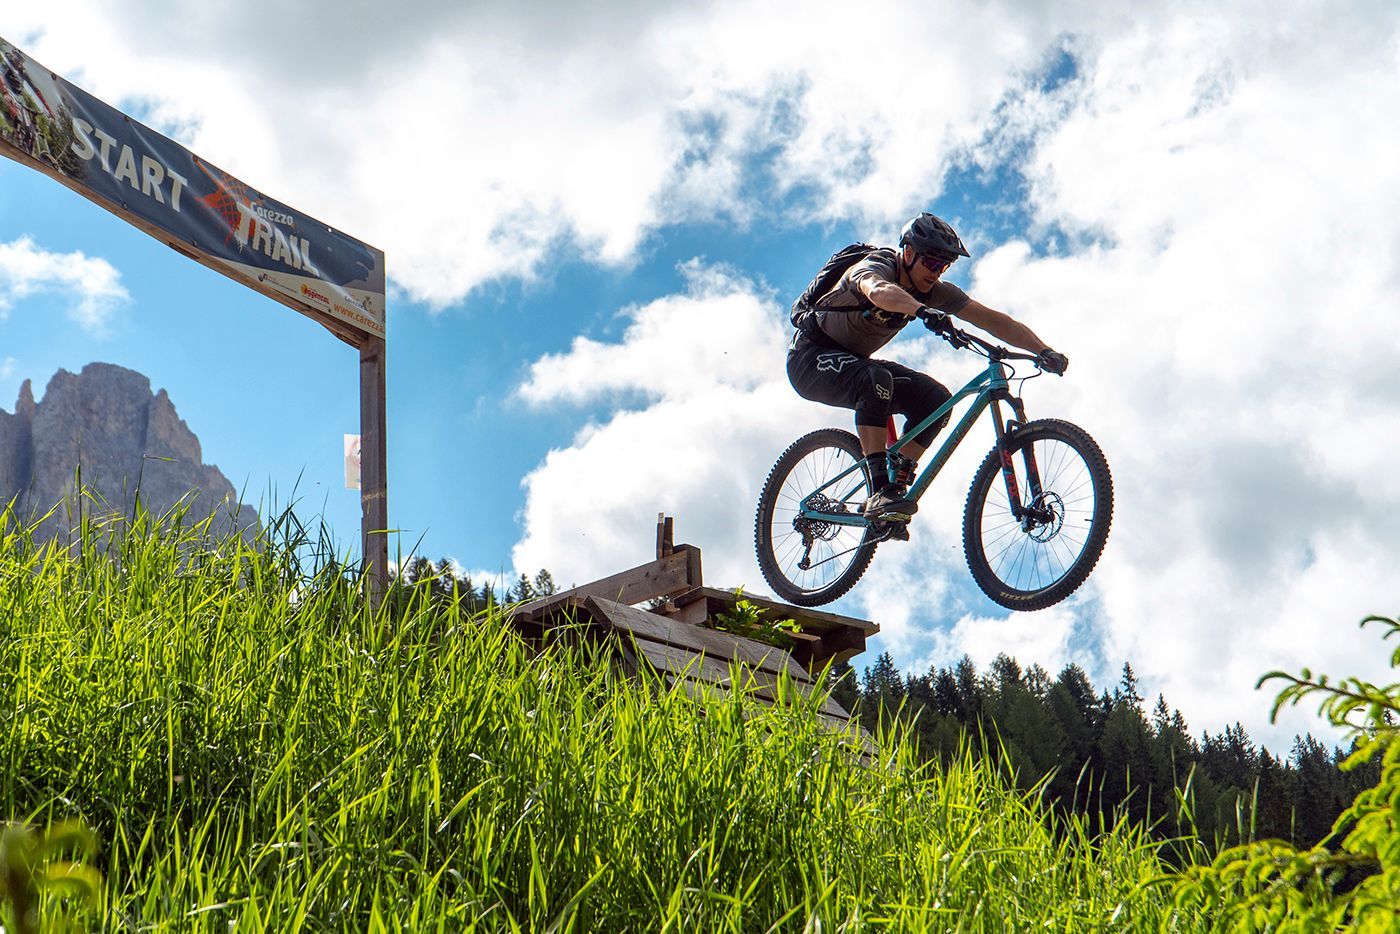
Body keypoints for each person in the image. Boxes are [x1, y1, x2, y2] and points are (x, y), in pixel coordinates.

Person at [787, 212, 1068, 529]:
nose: (936, 273)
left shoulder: (934, 291)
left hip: (854, 362)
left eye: (944, 266)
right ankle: (880, 492)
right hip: (810, 358)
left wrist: (1042, 350)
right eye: (932, 263)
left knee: (935, 400)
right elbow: (878, 291)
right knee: (875, 379)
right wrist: (921, 310)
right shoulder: (877, 265)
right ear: (908, 253)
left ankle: (895, 488)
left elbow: (992, 320)